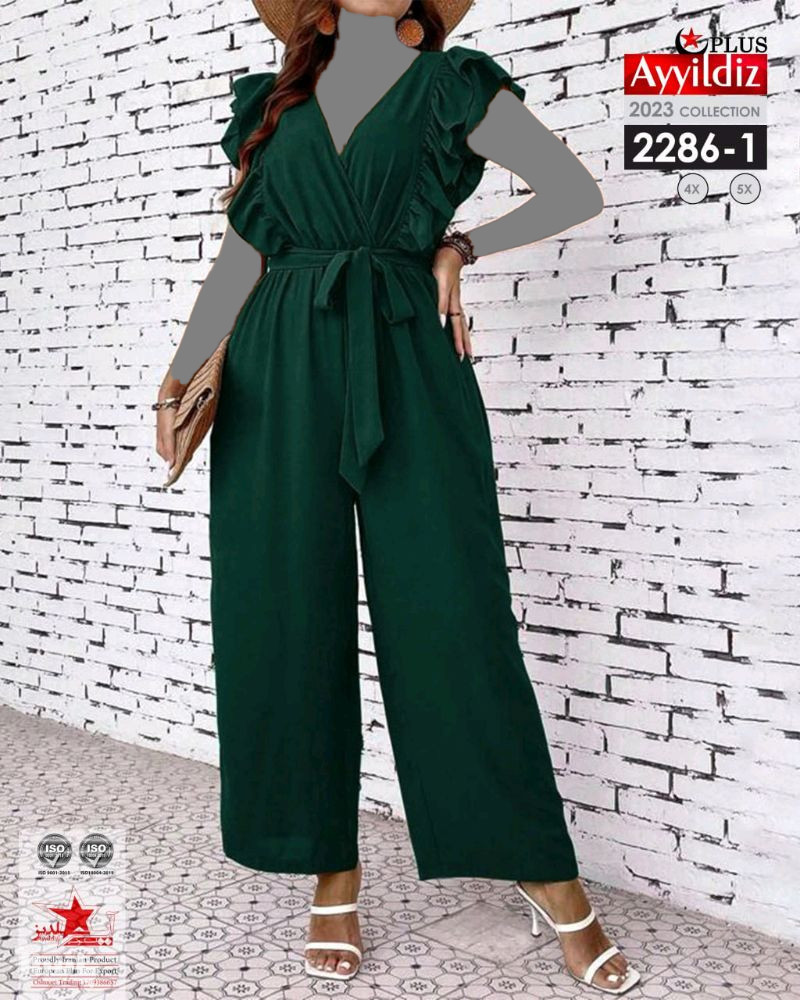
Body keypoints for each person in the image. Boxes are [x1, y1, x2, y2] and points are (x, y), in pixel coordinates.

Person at [155, 1, 639, 994]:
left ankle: (543, 872)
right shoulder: (273, 101)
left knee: (453, 616)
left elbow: (570, 189)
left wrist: (461, 247)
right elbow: (243, 254)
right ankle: (330, 870)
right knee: (281, 614)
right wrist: (178, 378)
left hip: (408, 352)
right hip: (275, 365)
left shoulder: (452, 86)